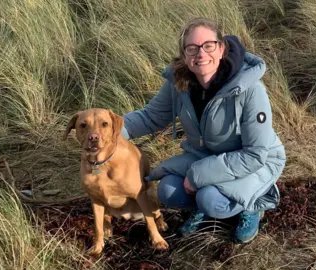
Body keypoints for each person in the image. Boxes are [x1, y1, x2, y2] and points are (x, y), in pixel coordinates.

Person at [120, 17, 286, 243]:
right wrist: (109, 131)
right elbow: (151, 117)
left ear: (221, 49)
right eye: (192, 48)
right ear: (184, 55)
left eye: (208, 45)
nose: (201, 54)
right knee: (168, 191)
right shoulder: (178, 83)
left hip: (254, 161)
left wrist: (198, 177)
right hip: (206, 156)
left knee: (210, 199)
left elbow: (255, 154)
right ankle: (206, 202)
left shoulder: (250, 88)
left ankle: (253, 204)